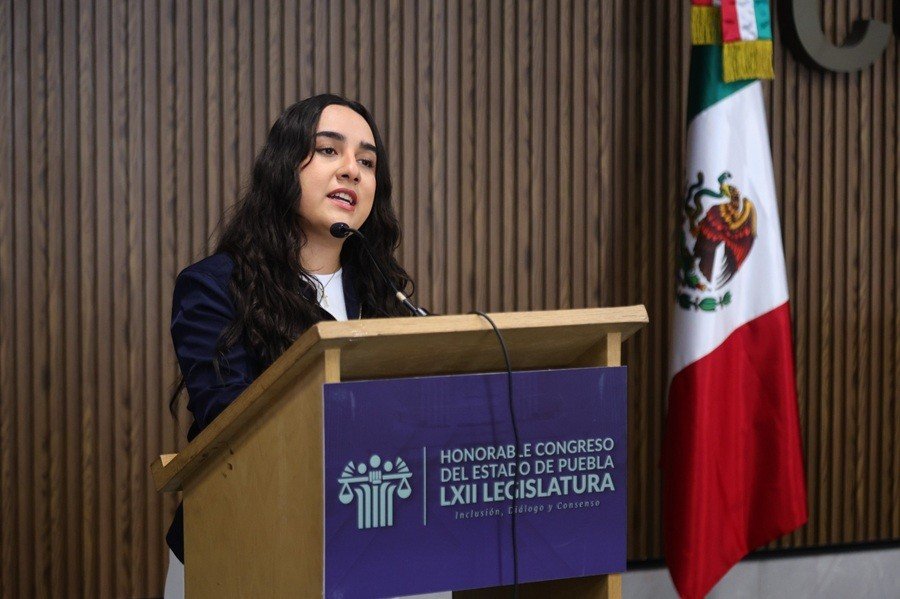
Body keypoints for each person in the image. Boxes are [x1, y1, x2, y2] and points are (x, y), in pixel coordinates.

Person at [163, 94, 418, 598]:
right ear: (284, 168)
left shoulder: (387, 300)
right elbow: (228, 420)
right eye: (329, 151)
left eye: (367, 162)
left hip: (376, 545)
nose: (352, 170)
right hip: (243, 547)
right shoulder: (215, 287)